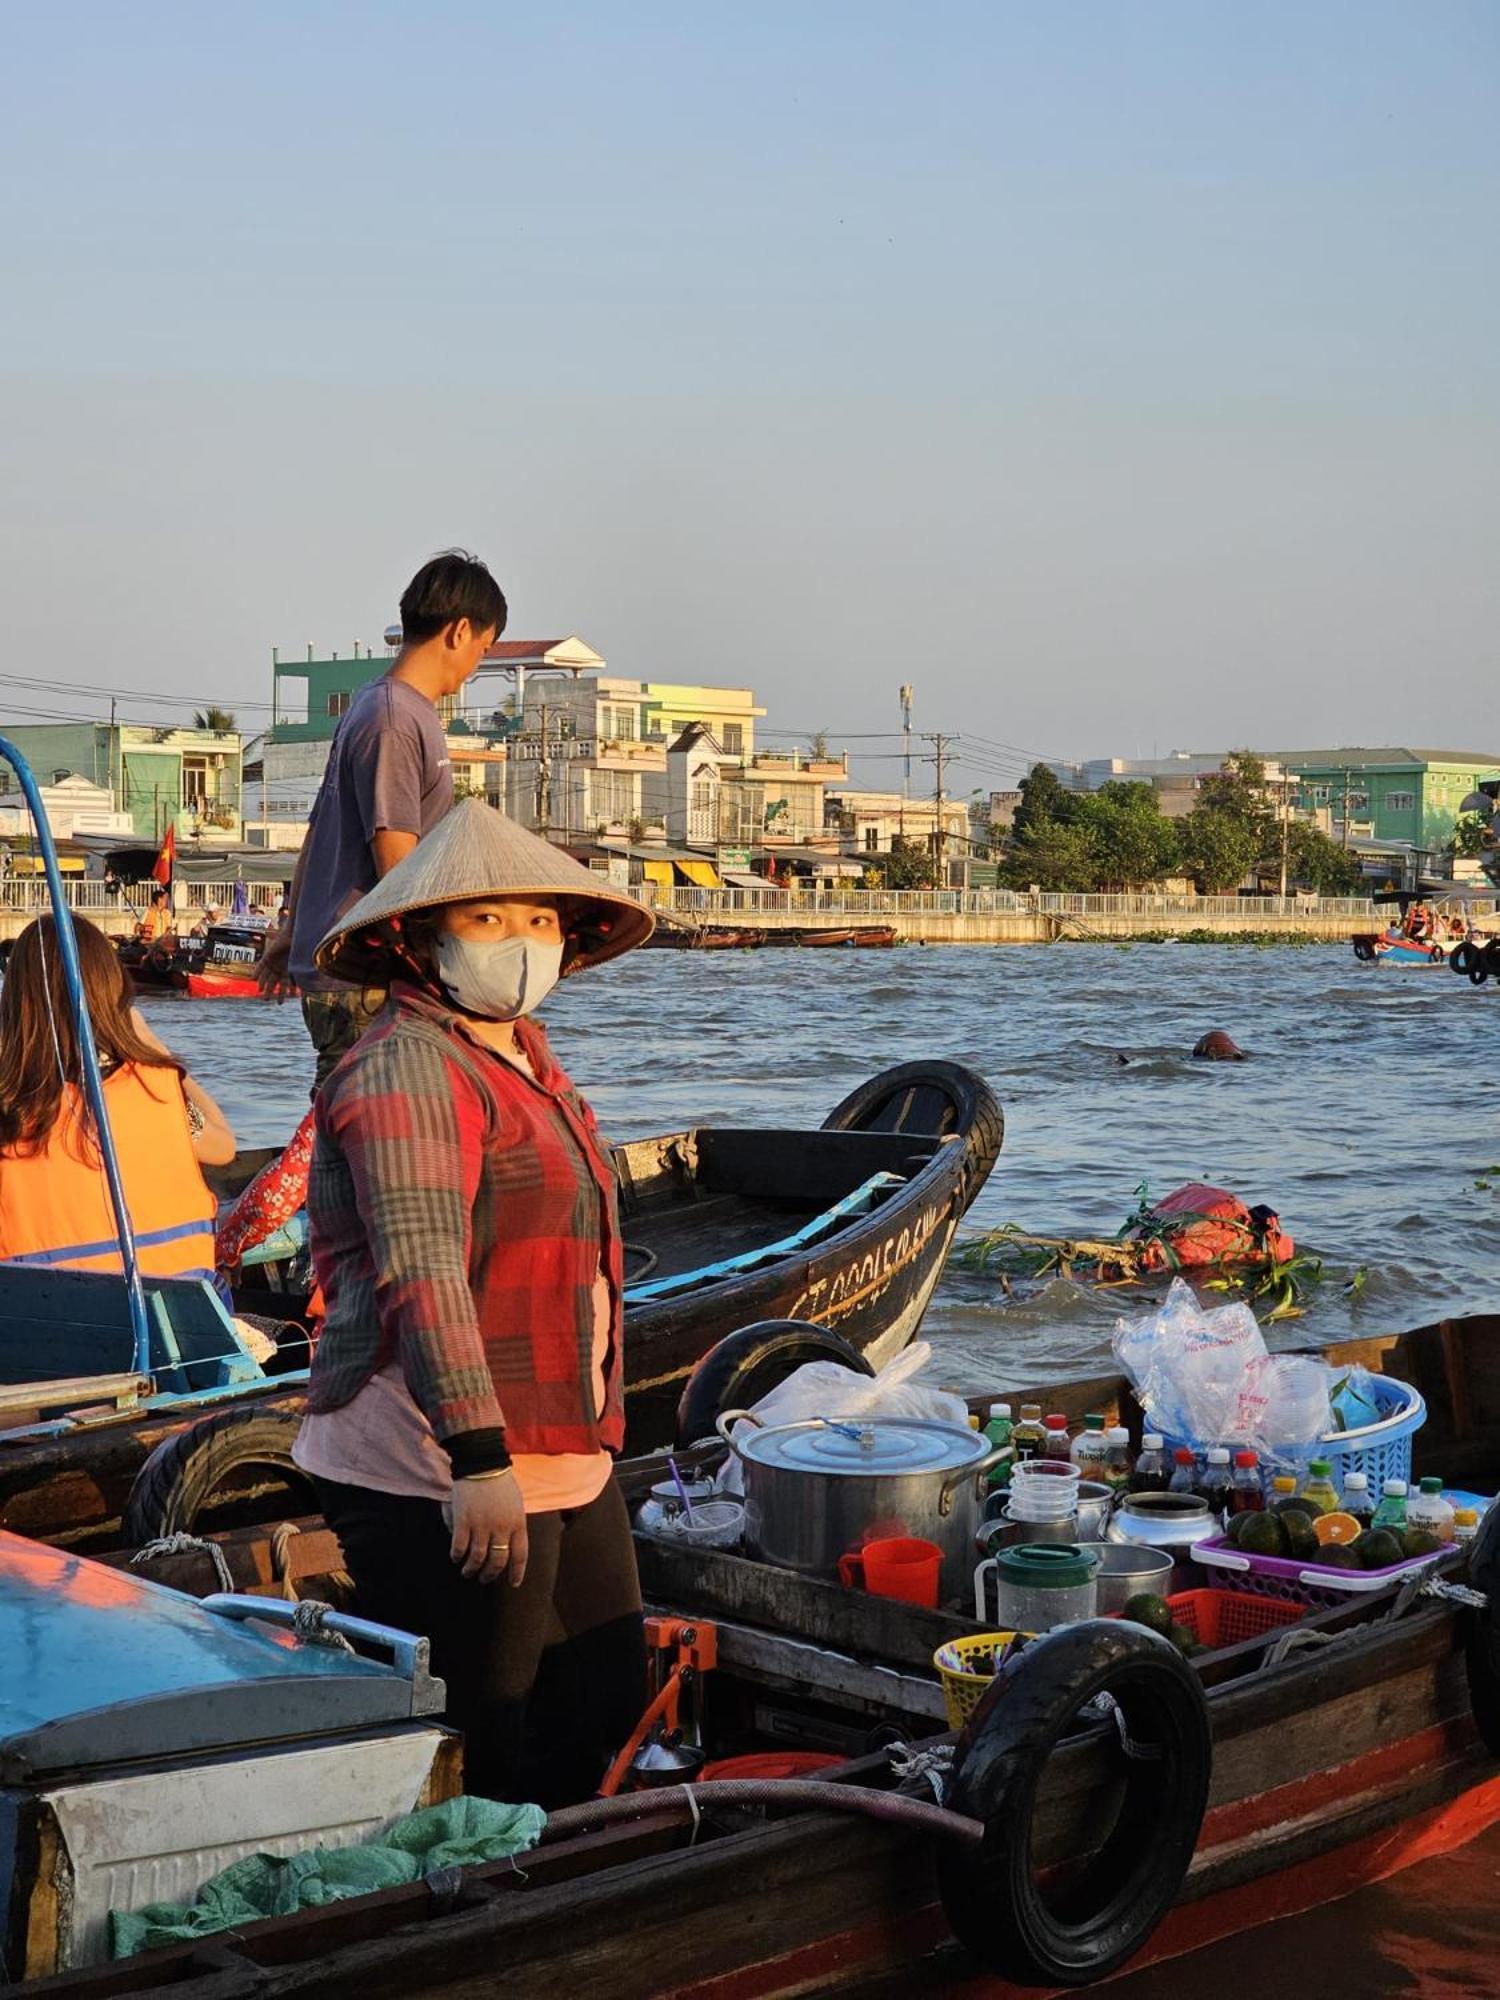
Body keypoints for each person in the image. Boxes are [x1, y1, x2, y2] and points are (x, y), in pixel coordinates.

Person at [292, 800, 654, 1806]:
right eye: (491, 921)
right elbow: (421, 1271)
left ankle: (573, 1893)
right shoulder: (407, 1065)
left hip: (557, 1432)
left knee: (603, 1697)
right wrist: (479, 1455)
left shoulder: (525, 1058)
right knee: (495, 1731)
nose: (523, 942)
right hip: (440, 1448)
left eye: (538, 920)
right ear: (419, 937)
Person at [259, 550, 508, 1091]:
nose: (476, 667)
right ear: (460, 631)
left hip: (352, 968)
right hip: (365, 979)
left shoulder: (379, 706)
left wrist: (290, 928)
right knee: (371, 1135)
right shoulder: (395, 719)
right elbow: (396, 863)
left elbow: (320, 832)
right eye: (483, 650)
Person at [0, 915, 236, 1280]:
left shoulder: (10, 1104)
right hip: (174, 1331)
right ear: (112, 991)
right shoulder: (155, 1090)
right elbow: (223, 1146)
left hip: (42, 1328)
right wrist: (156, 1052)